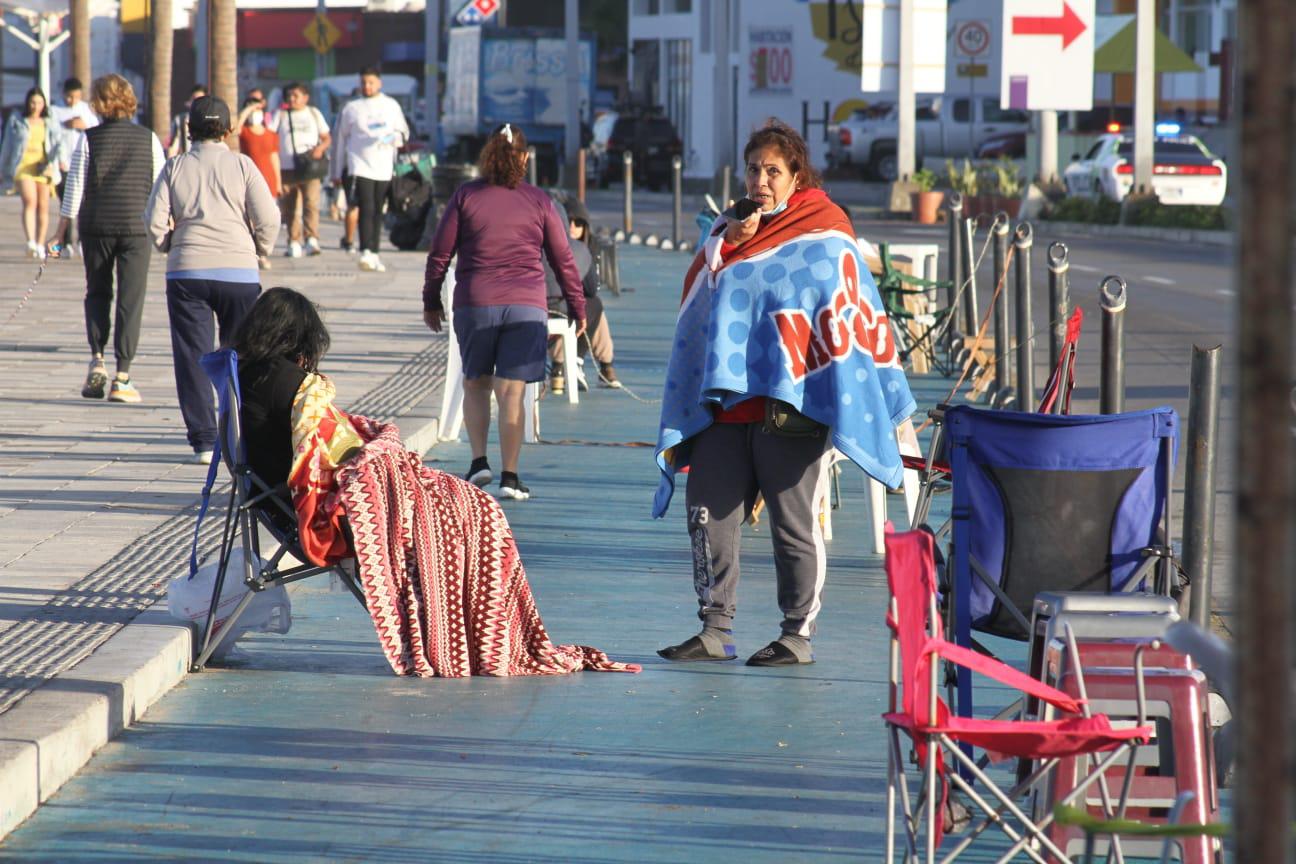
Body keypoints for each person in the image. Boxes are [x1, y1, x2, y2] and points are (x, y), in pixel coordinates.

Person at [228, 287, 638, 679]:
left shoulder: (246, 375)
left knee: (469, 507)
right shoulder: (287, 381)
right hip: (326, 512)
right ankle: (476, 637)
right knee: (475, 513)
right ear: (294, 336)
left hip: (277, 500)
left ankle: (472, 633)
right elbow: (340, 449)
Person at [654, 119, 916, 667]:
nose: (761, 181)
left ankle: (797, 635)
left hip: (792, 405)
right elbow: (698, 303)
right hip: (726, 407)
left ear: (797, 175)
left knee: (792, 523)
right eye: (753, 169)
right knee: (707, 514)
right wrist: (725, 246)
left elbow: (844, 302)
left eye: (773, 170)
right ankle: (715, 628)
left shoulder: (825, 228)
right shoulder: (728, 231)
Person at [422, 123, 586, 501]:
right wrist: (577, 308)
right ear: (524, 158)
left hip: (476, 303)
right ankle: (510, 477)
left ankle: (479, 462)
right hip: (526, 305)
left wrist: (431, 300)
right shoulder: (540, 201)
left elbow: (440, 255)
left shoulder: (466, 195)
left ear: (487, 157)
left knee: (475, 383)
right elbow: (564, 260)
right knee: (512, 393)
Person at [146, 94, 280, 463]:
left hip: (187, 270)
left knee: (193, 355)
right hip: (238, 271)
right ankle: (241, 432)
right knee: (243, 354)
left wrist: (169, 244)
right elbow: (269, 218)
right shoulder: (242, 166)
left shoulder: (175, 167)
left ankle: (205, 440)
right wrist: (261, 249)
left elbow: (154, 221)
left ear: (189, 129)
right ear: (228, 129)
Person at [51, 74, 165, 404]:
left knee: (98, 292)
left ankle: (97, 358)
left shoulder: (88, 139)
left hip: (96, 225)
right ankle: (123, 376)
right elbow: (160, 186)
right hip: (135, 227)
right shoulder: (149, 139)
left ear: (98, 103)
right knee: (131, 299)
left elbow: (74, 190)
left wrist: (59, 236)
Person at [332, 66, 408, 272]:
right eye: (364, 82)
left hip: (383, 166)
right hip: (359, 165)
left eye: (371, 82)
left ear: (379, 83)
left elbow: (403, 133)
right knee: (366, 207)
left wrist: (394, 139)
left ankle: (375, 252)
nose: (367, 86)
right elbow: (339, 140)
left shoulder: (391, 106)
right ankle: (365, 249)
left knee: (378, 209)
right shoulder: (351, 108)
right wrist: (337, 171)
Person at [546, 197, 620, 393]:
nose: (572, 226)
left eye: (578, 223)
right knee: (593, 306)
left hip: (528, 306)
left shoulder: (537, 242)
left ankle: (563, 369)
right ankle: (592, 364)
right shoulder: (580, 250)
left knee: (588, 307)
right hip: (553, 310)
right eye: (569, 221)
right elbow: (591, 288)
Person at [0, 88, 63, 259]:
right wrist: (2, 168)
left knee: (43, 206)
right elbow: (7, 145)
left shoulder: (49, 121)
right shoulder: (17, 120)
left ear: (44, 104)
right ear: (28, 103)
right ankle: (30, 242)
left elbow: (58, 143)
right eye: (33, 103)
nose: (36, 106)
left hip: (43, 167)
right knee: (30, 201)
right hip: (23, 165)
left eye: (39, 103)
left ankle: (40, 243)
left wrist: (59, 162)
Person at [273, 82, 331, 258]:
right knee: (289, 207)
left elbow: (327, 137)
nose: (292, 99)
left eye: (296, 95)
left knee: (311, 203)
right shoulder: (280, 115)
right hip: (286, 168)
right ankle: (293, 240)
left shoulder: (314, 113)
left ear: (305, 98)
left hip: (309, 168)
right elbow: (269, 135)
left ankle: (311, 238)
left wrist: (320, 149)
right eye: (289, 96)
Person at [49, 76, 99, 256]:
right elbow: (52, 135)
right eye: (69, 97)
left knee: (83, 205)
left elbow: (96, 129)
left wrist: (82, 125)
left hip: (83, 163)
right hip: (63, 164)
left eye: (76, 97)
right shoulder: (55, 110)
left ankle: (81, 241)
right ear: (64, 94)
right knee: (67, 204)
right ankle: (66, 242)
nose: (72, 101)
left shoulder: (85, 110)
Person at [237, 94, 282, 270]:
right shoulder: (245, 132)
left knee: (266, 218)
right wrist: (249, 109)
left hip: (268, 179)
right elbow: (236, 127)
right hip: (248, 180)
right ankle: (252, 253)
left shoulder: (270, 134)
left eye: (259, 109)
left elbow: (274, 157)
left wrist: (278, 182)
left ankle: (262, 253)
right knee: (250, 219)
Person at [167, 84, 208, 157]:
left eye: (201, 99)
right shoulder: (180, 120)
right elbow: (172, 147)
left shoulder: (210, 121)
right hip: (186, 163)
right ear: (190, 101)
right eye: (194, 99)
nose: (197, 103)